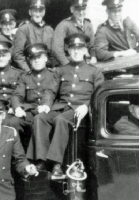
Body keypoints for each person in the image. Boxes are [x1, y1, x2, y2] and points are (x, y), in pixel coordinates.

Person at [27, 33, 104, 176]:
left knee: (61, 120)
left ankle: (56, 164)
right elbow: (50, 91)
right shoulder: (60, 70)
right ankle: (41, 161)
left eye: (79, 48)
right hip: (61, 107)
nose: (76, 51)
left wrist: (87, 106)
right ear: (68, 50)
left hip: (79, 111)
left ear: (85, 50)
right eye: (73, 48)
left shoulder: (95, 72)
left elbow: (98, 95)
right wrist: (46, 105)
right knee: (40, 118)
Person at [10, 43, 57, 135]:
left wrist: (45, 105)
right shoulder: (25, 77)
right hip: (31, 111)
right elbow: (17, 95)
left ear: (46, 59)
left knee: (39, 121)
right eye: (33, 58)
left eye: (39, 57)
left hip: (48, 111)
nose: (36, 61)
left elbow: (50, 93)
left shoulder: (53, 75)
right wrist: (18, 108)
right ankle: (19, 149)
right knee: (13, 122)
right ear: (30, 61)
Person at [13, 0, 54, 72]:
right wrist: (28, 71)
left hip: (47, 72)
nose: (38, 14)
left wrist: (52, 70)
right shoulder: (23, 29)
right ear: (30, 12)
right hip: (31, 70)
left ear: (44, 12)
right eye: (35, 11)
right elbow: (18, 55)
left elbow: (52, 53)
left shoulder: (49, 30)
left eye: (40, 11)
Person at [52, 0, 97, 66]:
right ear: (72, 9)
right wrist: (67, 65)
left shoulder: (88, 25)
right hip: (68, 62)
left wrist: (93, 57)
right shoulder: (64, 25)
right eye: (78, 9)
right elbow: (57, 50)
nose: (81, 12)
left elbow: (92, 46)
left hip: (83, 63)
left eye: (83, 9)